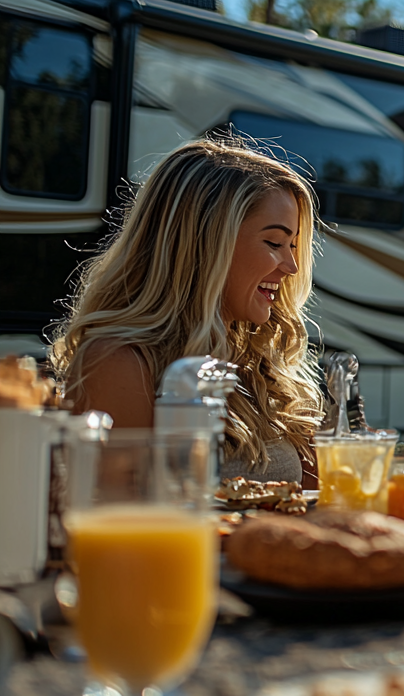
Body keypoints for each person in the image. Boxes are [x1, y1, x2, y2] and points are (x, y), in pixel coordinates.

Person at [50, 137, 325, 487]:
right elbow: (120, 519)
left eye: (294, 245)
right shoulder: (121, 362)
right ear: (205, 244)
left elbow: (319, 499)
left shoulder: (258, 366)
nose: (292, 267)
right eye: (274, 243)